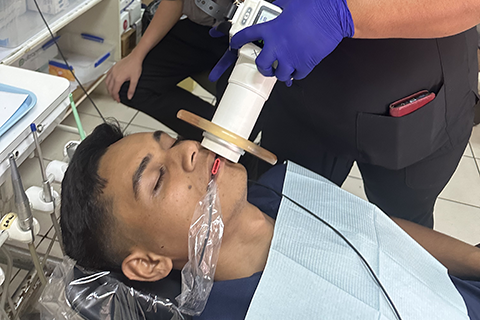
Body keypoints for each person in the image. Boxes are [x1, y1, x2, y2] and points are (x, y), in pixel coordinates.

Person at [60, 123, 480, 320]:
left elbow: (380, 229)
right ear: (149, 263)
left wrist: (475, 262)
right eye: (156, 179)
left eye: (169, 142)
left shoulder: (275, 190)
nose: (189, 149)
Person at [210, 0, 480, 228]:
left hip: (411, 96)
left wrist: (339, 12)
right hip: (298, 88)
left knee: (400, 230)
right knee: (284, 215)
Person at [105, 0, 231, 141]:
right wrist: (136, 56)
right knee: (127, 84)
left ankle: (231, 140)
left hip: (246, 36)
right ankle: (214, 136)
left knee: (240, 112)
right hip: (203, 27)